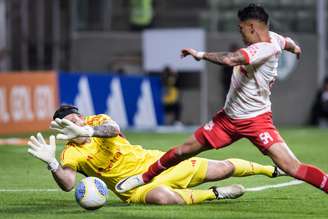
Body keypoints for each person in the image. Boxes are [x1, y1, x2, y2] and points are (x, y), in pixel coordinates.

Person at [115, 4, 328, 195]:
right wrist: (296, 48)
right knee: (183, 150)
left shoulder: (262, 49)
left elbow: (229, 59)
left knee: (292, 167)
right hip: (227, 120)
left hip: (256, 121)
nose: (241, 33)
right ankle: (143, 177)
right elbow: (288, 42)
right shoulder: (276, 39)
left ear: (252, 27)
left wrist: (201, 54)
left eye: (241, 28)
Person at [27, 105, 285, 205]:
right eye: (72, 122)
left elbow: (113, 129)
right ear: (64, 130)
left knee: (224, 168)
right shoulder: (71, 152)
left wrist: (87, 128)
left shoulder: (96, 121)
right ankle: (216, 194)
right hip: (131, 189)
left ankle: (272, 169)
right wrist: (52, 163)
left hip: (156, 165)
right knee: (162, 198)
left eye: (79, 117)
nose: (79, 121)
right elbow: (68, 184)